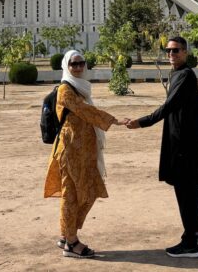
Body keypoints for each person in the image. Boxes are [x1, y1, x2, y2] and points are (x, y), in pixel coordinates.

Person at [126, 36, 198, 258]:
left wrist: (142, 122)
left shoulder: (185, 75)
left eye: (176, 50)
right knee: (190, 190)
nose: (171, 54)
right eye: (168, 50)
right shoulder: (178, 74)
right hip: (181, 140)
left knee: (185, 191)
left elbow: (168, 106)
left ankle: (190, 243)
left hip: (183, 144)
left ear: (186, 52)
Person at [44, 49, 127, 258]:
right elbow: (84, 111)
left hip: (83, 152)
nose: (78, 67)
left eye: (81, 63)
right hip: (71, 151)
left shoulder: (81, 87)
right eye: (73, 64)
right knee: (74, 194)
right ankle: (71, 243)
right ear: (66, 66)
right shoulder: (65, 89)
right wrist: (113, 120)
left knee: (84, 192)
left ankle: (66, 234)